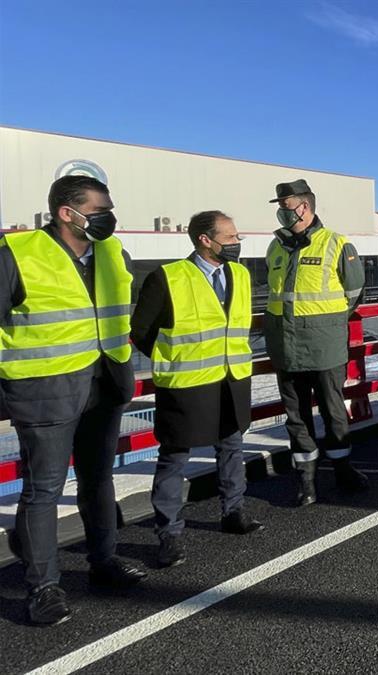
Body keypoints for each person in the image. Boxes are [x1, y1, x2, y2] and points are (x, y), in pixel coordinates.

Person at [0, 176, 146, 626]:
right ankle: (43, 587)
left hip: (104, 382)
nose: (109, 217)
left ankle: (104, 561)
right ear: (67, 212)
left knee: (98, 477)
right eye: (100, 209)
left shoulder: (112, 252)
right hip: (45, 390)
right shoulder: (16, 254)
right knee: (44, 490)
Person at [131, 211, 264, 568]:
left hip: (232, 379)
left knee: (232, 447)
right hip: (187, 385)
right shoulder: (168, 278)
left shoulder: (241, 274)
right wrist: (175, 360)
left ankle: (233, 512)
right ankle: (169, 534)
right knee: (174, 458)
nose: (237, 243)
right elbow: (142, 331)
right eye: (231, 237)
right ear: (205, 239)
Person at [264, 179, 369, 506]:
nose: (282, 214)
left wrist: (325, 321)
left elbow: (355, 293)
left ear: (304, 207)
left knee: (333, 412)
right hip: (286, 347)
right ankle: (306, 482)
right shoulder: (276, 247)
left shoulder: (336, 244)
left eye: (286, 207)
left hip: (324, 347)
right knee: (296, 417)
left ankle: (342, 470)